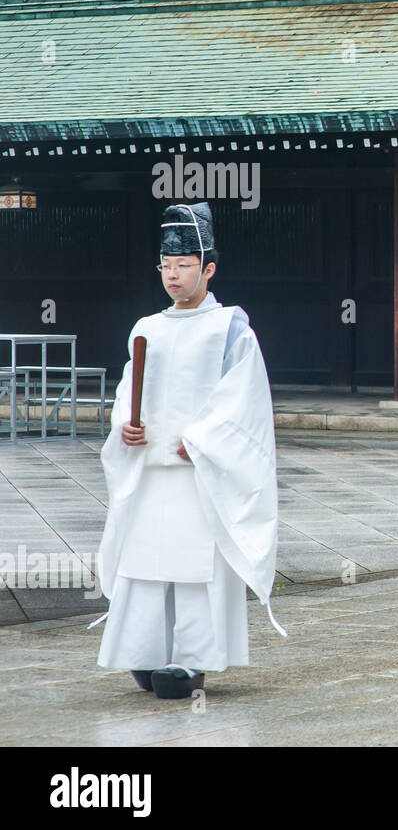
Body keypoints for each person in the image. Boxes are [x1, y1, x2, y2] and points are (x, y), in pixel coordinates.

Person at [94, 202, 281, 699]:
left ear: (209, 268)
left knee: (196, 569)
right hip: (150, 471)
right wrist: (124, 428)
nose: (172, 275)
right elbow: (128, 392)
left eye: (183, 266)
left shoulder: (231, 329)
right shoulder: (147, 327)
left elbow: (244, 402)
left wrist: (202, 440)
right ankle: (143, 651)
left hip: (199, 470)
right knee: (146, 562)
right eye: (166, 266)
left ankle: (193, 661)